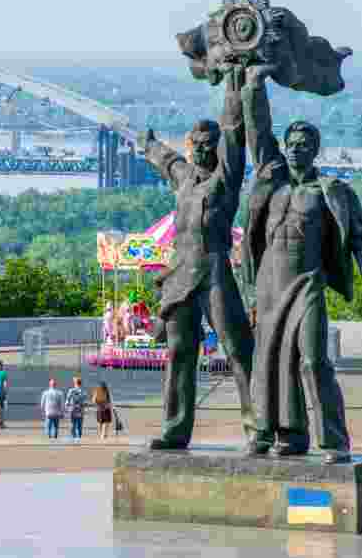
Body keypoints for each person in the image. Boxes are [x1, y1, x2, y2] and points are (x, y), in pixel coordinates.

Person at [240, 62, 362, 464]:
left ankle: (334, 440)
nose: (295, 148)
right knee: (267, 363)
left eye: (304, 143)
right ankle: (279, 434)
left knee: (312, 359)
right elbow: (257, 129)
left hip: (307, 284)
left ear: (314, 149)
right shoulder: (273, 179)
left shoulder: (331, 192)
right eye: (291, 142)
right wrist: (254, 85)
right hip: (269, 286)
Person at [137, 76, 257, 453]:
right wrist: (149, 144)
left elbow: (236, 133)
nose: (203, 151)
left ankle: (258, 429)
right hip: (181, 274)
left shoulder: (226, 179)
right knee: (178, 351)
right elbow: (167, 161)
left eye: (210, 145)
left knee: (237, 347)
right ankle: (175, 429)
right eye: (198, 146)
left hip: (215, 271)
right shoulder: (185, 178)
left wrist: (235, 87)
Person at [65, 376, 88, 442]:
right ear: (80, 383)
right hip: (80, 410)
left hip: (73, 410)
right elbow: (85, 401)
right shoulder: (83, 391)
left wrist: (66, 407)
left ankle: (74, 438)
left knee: (73, 424)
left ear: (75, 383)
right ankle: (79, 438)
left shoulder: (71, 390)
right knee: (79, 425)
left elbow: (67, 401)